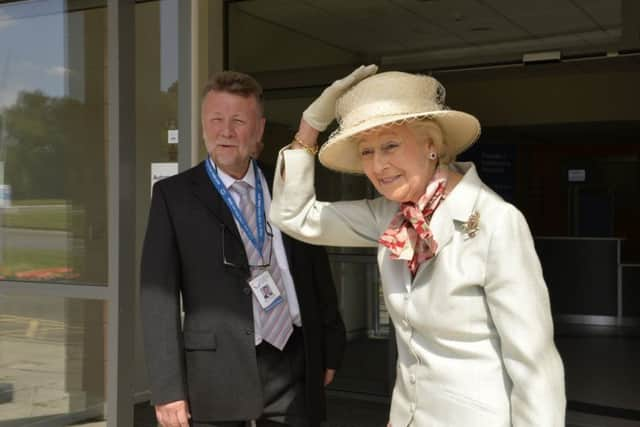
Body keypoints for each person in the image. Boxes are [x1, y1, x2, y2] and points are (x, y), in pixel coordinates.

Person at [269, 66, 566, 426]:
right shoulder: (389, 214)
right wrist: (309, 127)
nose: (378, 165)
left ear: (430, 145)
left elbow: (534, 366)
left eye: (390, 145)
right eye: (366, 151)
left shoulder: (496, 221)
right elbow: (294, 217)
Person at [140, 70, 346, 427]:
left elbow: (316, 269)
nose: (226, 131)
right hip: (215, 370)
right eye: (216, 120)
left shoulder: (286, 183)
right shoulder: (173, 197)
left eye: (238, 120)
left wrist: (331, 343)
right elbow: (157, 297)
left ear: (259, 129)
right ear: (204, 125)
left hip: (294, 358)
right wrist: (167, 387)